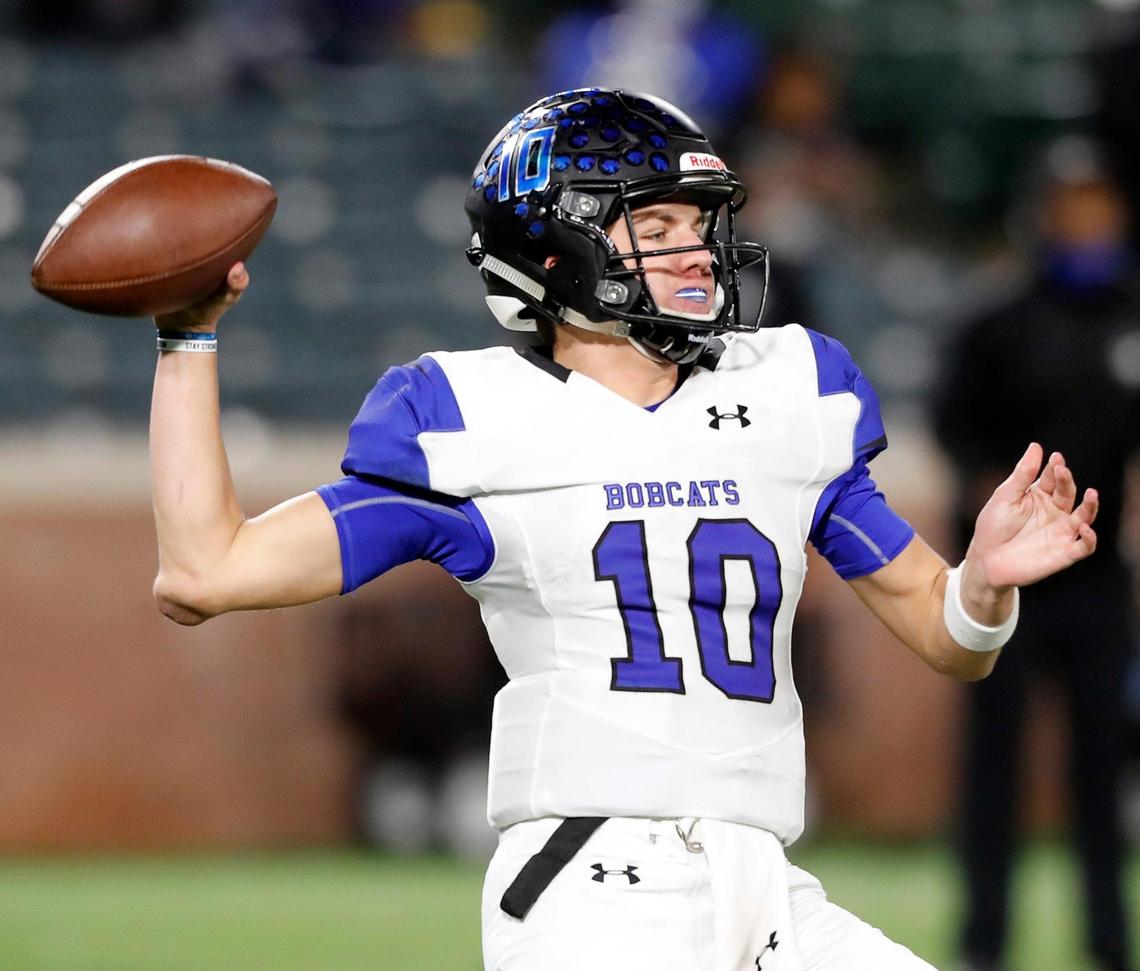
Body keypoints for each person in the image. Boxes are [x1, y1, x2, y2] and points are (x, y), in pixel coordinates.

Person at [149, 88, 1099, 971]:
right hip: (593, 881)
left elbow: (946, 634)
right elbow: (206, 570)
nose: (696, 253)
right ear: (556, 250)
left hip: (765, 884)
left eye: (699, 224)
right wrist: (187, 341)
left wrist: (981, 585)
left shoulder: (784, 394)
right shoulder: (474, 416)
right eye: (654, 226)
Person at [933, 149, 1139, 971]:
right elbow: (956, 431)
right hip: (1010, 590)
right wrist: (1008, 515)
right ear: (1043, 214)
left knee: (1103, 773)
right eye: (1073, 206)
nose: (1088, 222)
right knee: (994, 771)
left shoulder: (1131, 318)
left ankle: (1111, 947)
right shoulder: (997, 321)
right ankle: (984, 944)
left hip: (1097, 587)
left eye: (1100, 205)